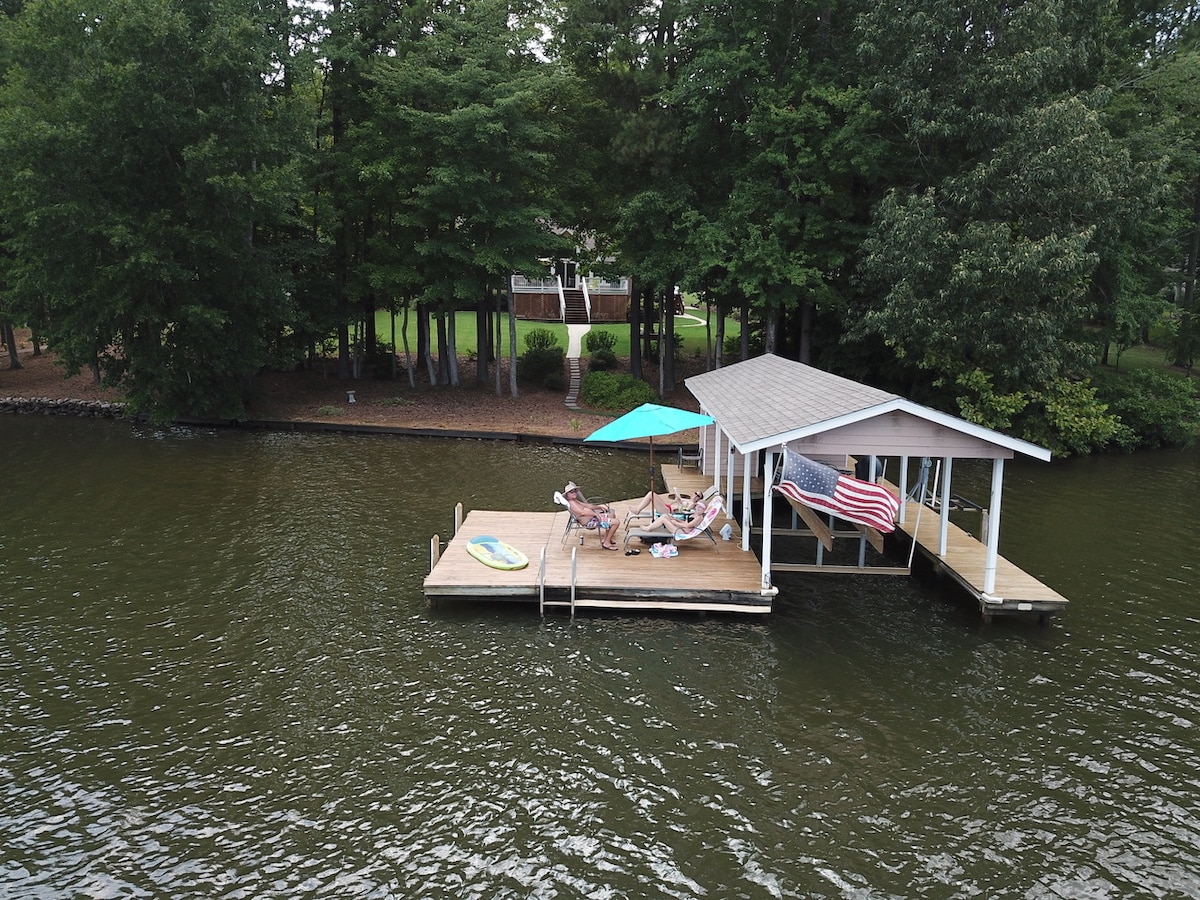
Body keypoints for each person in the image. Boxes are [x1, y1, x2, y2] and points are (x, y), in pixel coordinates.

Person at [563, 482, 619, 550]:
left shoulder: (574, 500)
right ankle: (606, 543)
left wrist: (598, 507)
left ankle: (606, 539)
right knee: (616, 522)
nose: (574, 493)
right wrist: (595, 514)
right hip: (590, 522)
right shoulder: (572, 503)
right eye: (571, 492)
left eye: (575, 491)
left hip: (593, 518)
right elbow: (582, 513)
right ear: (567, 495)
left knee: (612, 515)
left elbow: (587, 505)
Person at [626, 489, 705, 521]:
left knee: (651, 494)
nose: (695, 496)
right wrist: (676, 501)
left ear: (699, 499)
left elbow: (683, 511)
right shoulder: (688, 500)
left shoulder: (693, 504)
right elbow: (672, 504)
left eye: (698, 496)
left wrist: (679, 503)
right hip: (668, 507)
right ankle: (638, 509)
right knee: (652, 494)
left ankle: (637, 510)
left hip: (669, 512)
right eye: (695, 493)